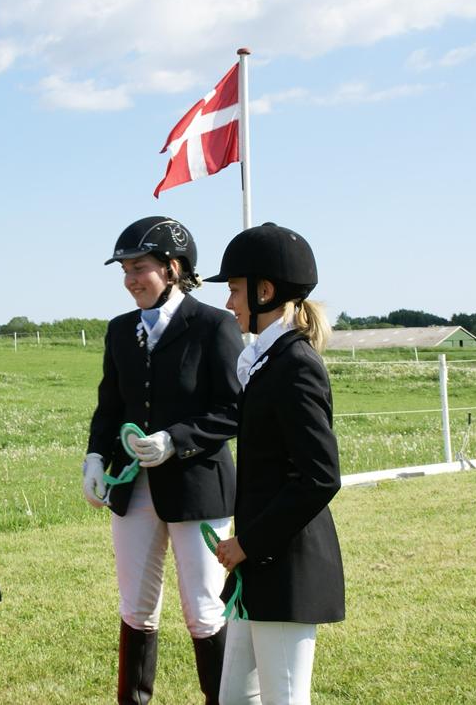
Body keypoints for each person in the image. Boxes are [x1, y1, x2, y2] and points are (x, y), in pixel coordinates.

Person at [83, 216, 243, 705]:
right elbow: (111, 406)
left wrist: (176, 439)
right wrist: (95, 457)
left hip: (197, 488)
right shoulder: (119, 330)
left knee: (202, 610)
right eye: (126, 269)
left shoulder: (214, 325)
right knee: (135, 607)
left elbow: (233, 408)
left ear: (173, 268)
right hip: (134, 491)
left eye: (141, 267)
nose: (131, 278)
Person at [203, 222, 345, 705]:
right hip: (260, 567)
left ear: (265, 291)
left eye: (235, 291)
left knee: (284, 698)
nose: (229, 303)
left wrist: (248, 543)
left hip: (286, 566)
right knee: (236, 699)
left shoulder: (295, 364)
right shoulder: (267, 360)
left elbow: (320, 477)